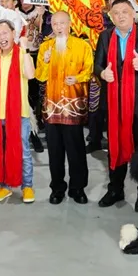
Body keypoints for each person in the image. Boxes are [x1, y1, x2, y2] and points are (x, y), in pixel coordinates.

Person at [93, 0, 138, 210]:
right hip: (114, 102)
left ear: (133, 13)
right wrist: (102, 73)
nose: (121, 16)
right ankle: (115, 188)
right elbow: (97, 65)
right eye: (116, 13)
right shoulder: (105, 37)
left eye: (125, 11)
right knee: (115, 144)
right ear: (111, 17)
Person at [35, 11, 93, 205]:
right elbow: (40, 77)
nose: (58, 27)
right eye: (55, 23)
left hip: (73, 107)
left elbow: (89, 70)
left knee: (76, 150)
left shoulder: (81, 46)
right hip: (52, 108)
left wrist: (77, 78)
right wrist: (45, 61)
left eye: (62, 23)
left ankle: (78, 188)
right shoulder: (45, 47)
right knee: (55, 152)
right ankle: (57, 188)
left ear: (69, 24)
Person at [0, 21, 36, 204]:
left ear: (13, 33)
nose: (2, 37)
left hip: (18, 113)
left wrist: (26, 49)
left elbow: (30, 75)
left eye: (5, 33)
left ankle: (27, 186)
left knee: (22, 151)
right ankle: (4, 187)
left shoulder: (21, 53)